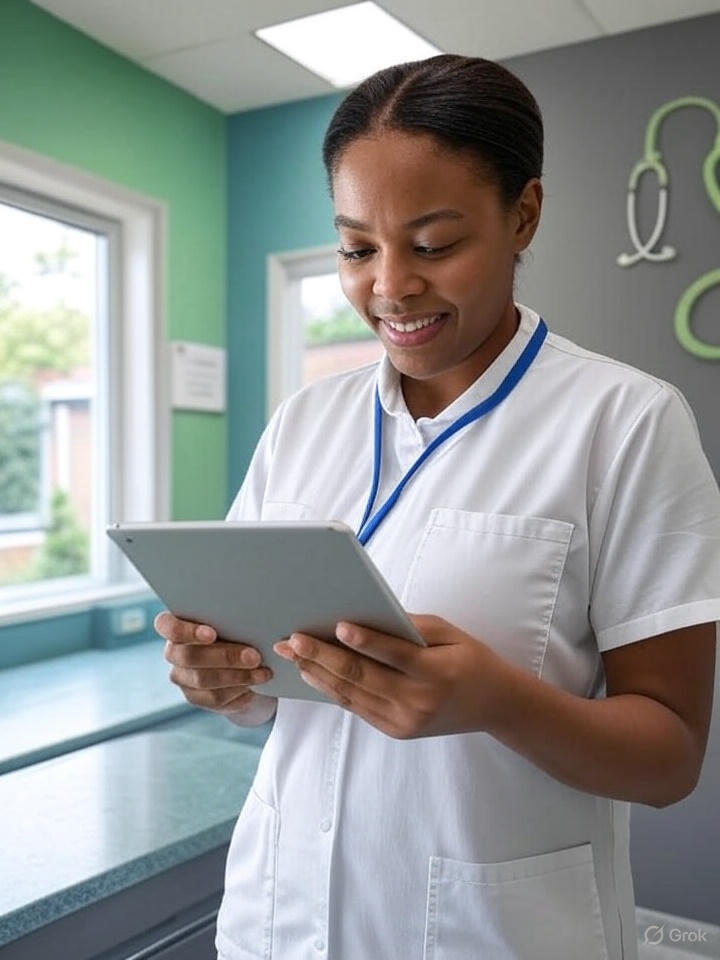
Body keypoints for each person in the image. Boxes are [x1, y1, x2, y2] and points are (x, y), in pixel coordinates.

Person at [155, 55, 720, 960]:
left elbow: (670, 759)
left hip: (493, 935)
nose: (389, 287)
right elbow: (262, 686)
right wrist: (219, 681)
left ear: (523, 214)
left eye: (431, 245)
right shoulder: (304, 422)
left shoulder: (626, 422)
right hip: (280, 926)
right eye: (355, 248)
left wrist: (499, 700)